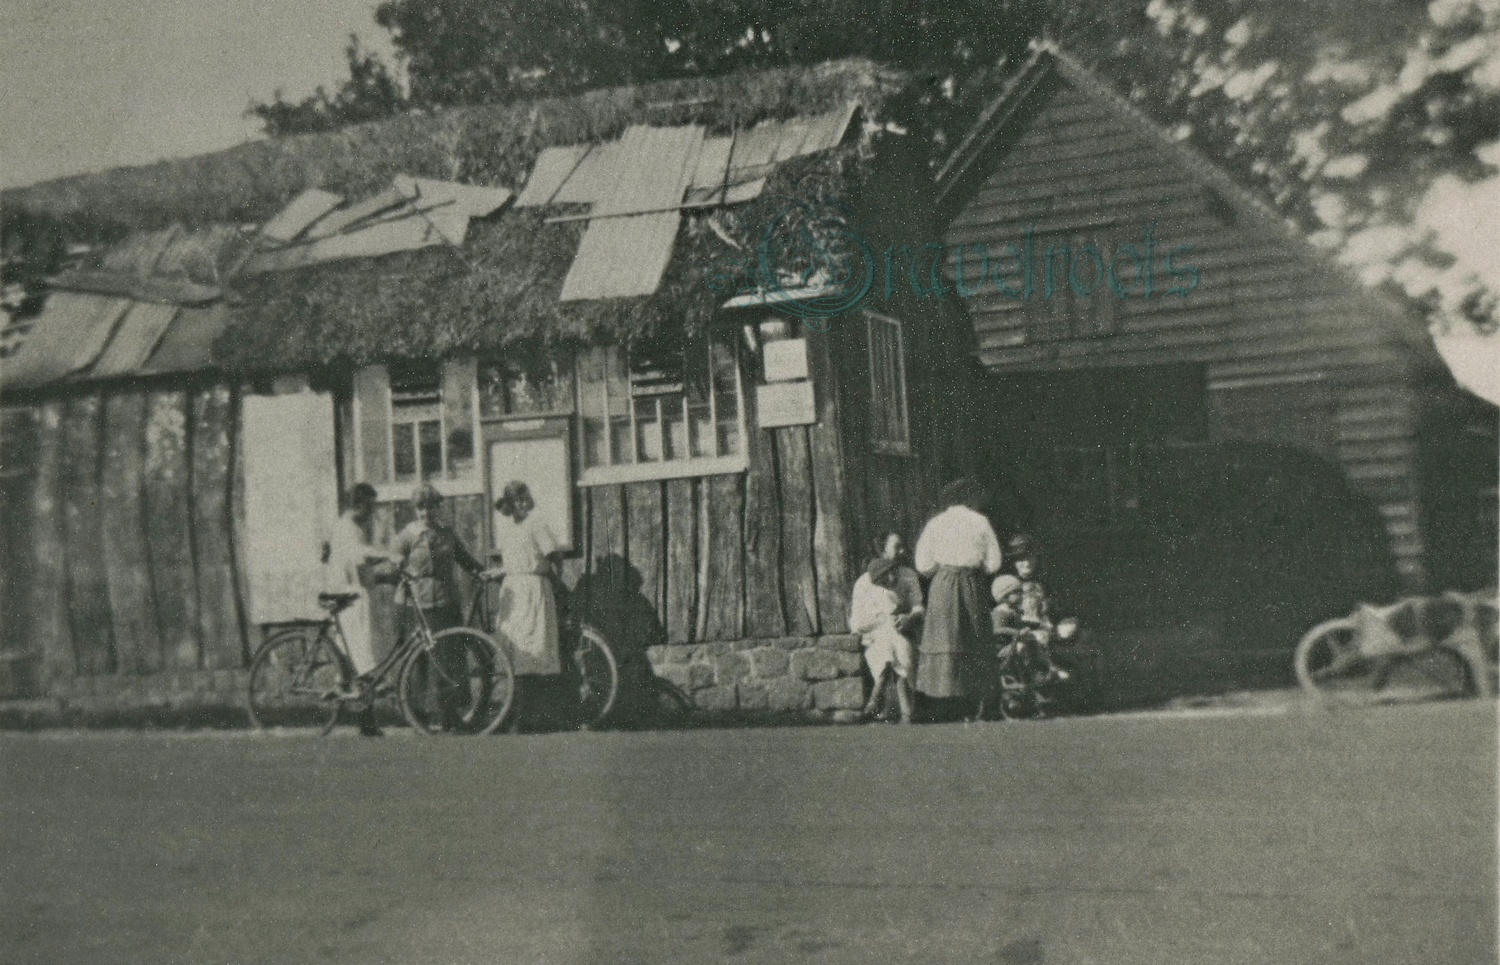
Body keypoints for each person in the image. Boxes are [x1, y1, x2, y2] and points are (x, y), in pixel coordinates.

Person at [390, 483, 490, 731]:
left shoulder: (446, 533)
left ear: (438, 508)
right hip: (418, 604)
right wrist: (401, 567)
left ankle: (451, 715)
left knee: (451, 659)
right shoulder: (407, 535)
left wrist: (483, 572)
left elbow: (465, 559)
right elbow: (393, 560)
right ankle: (418, 714)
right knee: (423, 660)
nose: (426, 513)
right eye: (421, 508)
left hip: (446, 602)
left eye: (431, 507)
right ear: (415, 509)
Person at [913, 478, 1004, 719]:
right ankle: (974, 702)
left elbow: (923, 565)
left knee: (945, 637)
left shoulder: (935, 523)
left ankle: (945, 704)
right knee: (973, 637)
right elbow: (994, 563)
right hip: (971, 584)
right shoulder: (980, 522)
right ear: (969, 499)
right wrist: (975, 569)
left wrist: (942, 570)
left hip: (943, 585)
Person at [324, 482, 393, 736]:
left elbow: (362, 571)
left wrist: (385, 578)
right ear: (361, 505)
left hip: (352, 593)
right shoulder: (347, 528)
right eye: (370, 507)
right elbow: (361, 557)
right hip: (346, 596)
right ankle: (366, 717)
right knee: (362, 651)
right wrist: (388, 555)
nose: (372, 513)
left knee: (360, 656)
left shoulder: (353, 528)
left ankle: (367, 721)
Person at [491, 481, 563, 677]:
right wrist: (498, 572)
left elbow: (554, 555)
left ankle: (533, 690)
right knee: (514, 642)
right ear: (509, 504)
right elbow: (514, 562)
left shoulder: (536, 524)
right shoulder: (508, 529)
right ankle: (517, 691)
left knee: (533, 642)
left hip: (533, 588)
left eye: (524, 500)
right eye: (516, 501)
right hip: (513, 589)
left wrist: (558, 580)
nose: (521, 505)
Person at [853, 533, 923, 722]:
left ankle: (876, 697)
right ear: (883, 550)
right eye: (896, 547)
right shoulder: (865, 582)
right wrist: (883, 621)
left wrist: (909, 617)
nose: (902, 551)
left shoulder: (909, 575)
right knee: (891, 643)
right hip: (874, 635)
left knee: (896, 644)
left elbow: (918, 607)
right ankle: (907, 713)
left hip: (904, 630)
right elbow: (858, 621)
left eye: (903, 547)